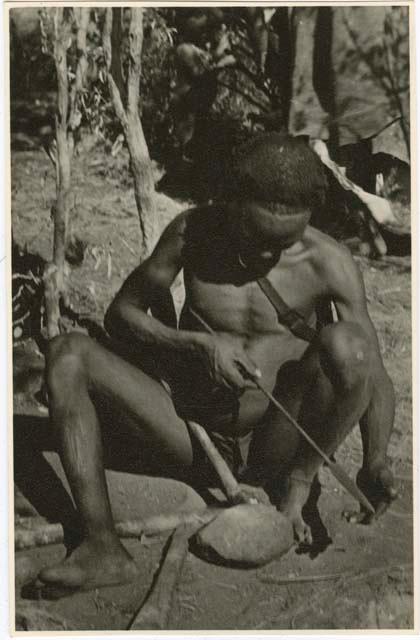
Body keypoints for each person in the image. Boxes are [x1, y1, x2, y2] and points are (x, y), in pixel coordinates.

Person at [37, 134, 397, 594]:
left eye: (283, 243)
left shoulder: (329, 261)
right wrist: (196, 346)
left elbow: (373, 369)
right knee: (68, 353)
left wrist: (377, 458)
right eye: (258, 236)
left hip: (275, 441)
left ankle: (296, 483)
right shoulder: (192, 233)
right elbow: (121, 315)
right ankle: (102, 547)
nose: (268, 254)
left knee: (350, 345)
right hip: (189, 429)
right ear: (231, 204)